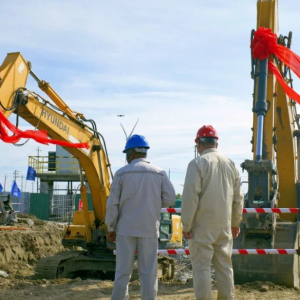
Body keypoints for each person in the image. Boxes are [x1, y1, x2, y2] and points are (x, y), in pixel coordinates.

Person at [105, 134, 176, 300]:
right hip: (149, 228)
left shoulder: (121, 174)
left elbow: (112, 204)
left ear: (130, 153)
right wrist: (155, 203)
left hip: (126, 229)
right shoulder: (159, 173)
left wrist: (110, 227)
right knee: (149, 272)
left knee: (123, 272)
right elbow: (170, 199)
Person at [181, 125, 244, 300]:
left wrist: (186, 224)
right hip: (224, 227)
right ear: (216, 143)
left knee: (202, 269)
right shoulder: (231, 164)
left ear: (198, 144)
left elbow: (190, 197)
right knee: (225, 268)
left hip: (201, 227)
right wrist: (235, 223)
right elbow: (238, 197)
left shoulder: (197, 163)